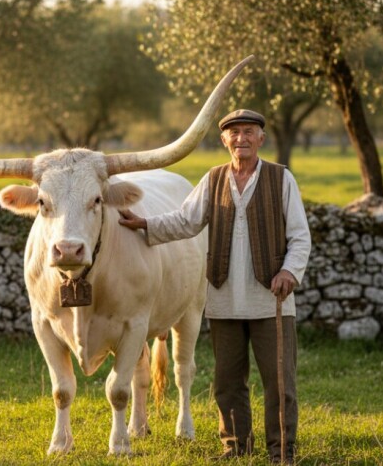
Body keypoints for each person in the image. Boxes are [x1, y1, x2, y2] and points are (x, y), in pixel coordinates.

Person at [118, 109, 311, 463]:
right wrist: (144, 223)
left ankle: (282, 451)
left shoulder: (282, 180)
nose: (241, 139)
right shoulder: (212, 179)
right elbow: (185, 221)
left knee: (280, 383)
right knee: (226, 383)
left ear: (261, 138)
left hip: (272, 300)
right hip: (223, 299)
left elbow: (300, 237)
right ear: (224, 141)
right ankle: (235, 446)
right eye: (234, 133)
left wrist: (289, 272)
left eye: (249, 132)